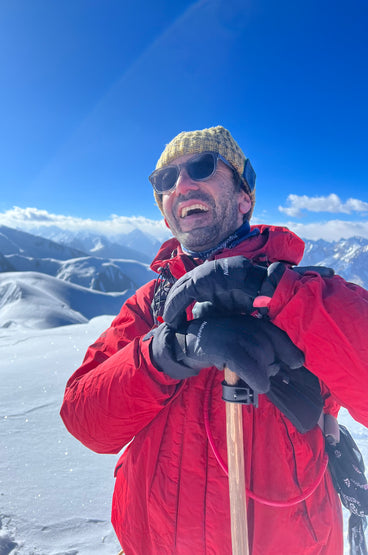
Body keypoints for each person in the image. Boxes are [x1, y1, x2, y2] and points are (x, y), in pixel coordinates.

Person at [60, 125, 368, 554]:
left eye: (202, 167)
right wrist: (165, 351)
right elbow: (85, 421)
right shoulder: (151, 305)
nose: (182, 184)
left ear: (245, 197)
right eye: (165, 180)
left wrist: (274, 292)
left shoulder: (309, 294)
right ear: (165, 213)